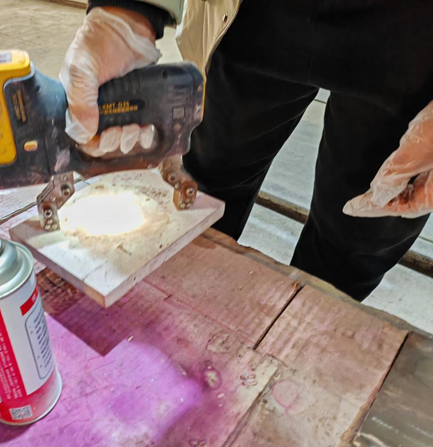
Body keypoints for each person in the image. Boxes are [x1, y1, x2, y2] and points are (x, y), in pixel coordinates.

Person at [58, 0, 433, 301]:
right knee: (207, 188)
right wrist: (127, 9)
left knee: (358, 238)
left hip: (413, 39)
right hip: (253, 18)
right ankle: (184, 309)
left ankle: (304, 340)